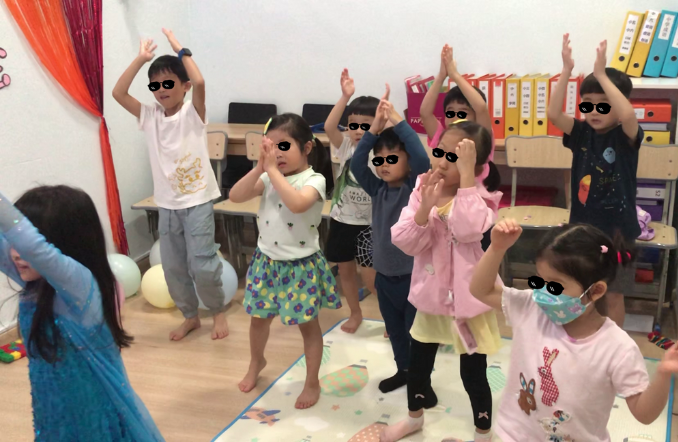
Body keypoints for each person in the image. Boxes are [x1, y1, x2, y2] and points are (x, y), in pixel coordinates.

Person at [470, 219, 678, 441]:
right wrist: (497, 248)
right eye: (540, 280)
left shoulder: (617, 348)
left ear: (595, 291)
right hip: (515, 434)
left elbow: (644, 414)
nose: (542, 292)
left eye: (555, 285)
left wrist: (664, 374)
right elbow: (480, 290)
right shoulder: (531, 306)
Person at [0, 185, 164, 441]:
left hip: (94, 419)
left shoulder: (80, 285)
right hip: (53, 416)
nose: (16, 252)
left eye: (31, 241)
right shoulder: (36, 281)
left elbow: (32, 247)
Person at [382, 121, 502, 442]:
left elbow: (467, 230)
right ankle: (414, 418)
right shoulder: (422, 188)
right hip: (431, 299)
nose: (442, 162)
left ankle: (483, 432)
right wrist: (425, 207)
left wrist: (466, 182)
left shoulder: (482, 198)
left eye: (455, 157)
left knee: (473, 373)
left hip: (468, 305)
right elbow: (405, 241)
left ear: (475, 166)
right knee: (418, 366)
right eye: (440, 152)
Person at [112, 29, 228, 341]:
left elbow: (200, 82)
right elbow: (118, 93)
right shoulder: (149, 116)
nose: (161, 90)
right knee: (173, 267)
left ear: (183, 86)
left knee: (202, 264)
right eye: (155, 85)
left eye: (168, 83)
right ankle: (190, 316)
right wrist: (141, 59)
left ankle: (217, 310)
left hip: (198, 201)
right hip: (166, 204)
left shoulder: (192, 112)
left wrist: (180, 49)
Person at [230, 113, 339, 409]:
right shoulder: (267, 176)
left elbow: (297, 203)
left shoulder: (314, 180)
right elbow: (236, 195)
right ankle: (257, 362)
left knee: (308, 326)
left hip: (300, 266)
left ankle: (312, 381)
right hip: (266, 263)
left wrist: (270, 172)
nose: (277, 153)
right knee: (258, 320)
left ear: (306, 148)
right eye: (271, 146)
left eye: (284, 145)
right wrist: (259, 168)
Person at [547, 35, 643, 328]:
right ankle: (585, 339)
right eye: (587, 104)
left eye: (604, 104)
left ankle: (615, 346)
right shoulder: (580, 133)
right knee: (582, 290)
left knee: (612, 296)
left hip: (618, 233)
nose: (594, 111)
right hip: (583, 230)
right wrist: (566, 71)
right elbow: (553, 114)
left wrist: (601, 74)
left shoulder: (625, 136)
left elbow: (628, 114)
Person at [351, 86, 430, 395]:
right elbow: (357, 164)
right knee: (395, 331)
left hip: (413, 277)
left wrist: (397, 120)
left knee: (416, 334)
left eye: (392, 158)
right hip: (385, 277)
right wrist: (373, 128)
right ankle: (404, 371)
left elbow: (422, 159)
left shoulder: (415, 187)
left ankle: (422, 381)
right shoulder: (378, 189)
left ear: (407, 163)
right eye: (379, 159)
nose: (384, 164)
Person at [420, 44, 496, 250]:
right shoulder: (441, 136)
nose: (455, 117)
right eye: (450, 112)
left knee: (474, 261)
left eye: (462, 112)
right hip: (442, 216)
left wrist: (454, 74)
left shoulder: (480, 138)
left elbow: (481, 107)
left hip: (472, 217)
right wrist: (441, 76)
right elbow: (425, 112)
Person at [324, 69, 380, 334]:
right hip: (342, 220)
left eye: (365, 125)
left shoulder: (382, 152)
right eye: (354, 125)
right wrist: (345, 97)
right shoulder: (346, 146)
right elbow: (328, 127)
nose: (358, 131)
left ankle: (389, 316)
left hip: (371, 224)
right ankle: (355, 313)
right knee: (345, 271)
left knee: (372, 278)